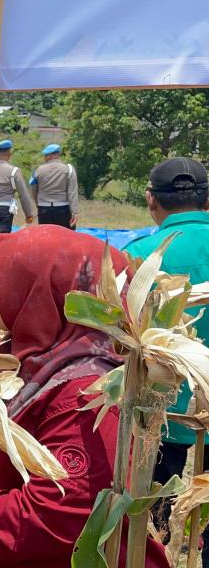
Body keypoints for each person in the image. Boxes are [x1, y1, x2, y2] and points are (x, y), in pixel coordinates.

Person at [0, 226, 168, 568]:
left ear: (41, 293)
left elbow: (52, 517)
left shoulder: (87, 393)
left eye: (5, 278)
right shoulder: (32, 358)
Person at [124, 157, 209, 563]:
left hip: (158, 414)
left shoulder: (138, 255)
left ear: (150, 201)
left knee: (152, 522)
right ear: (207, 201)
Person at [29, 143, 79, 229]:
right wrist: (74, 212)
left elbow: (33, 189)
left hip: (44, 209)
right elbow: (72, 193)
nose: (44, 158)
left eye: (45, 156)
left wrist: (38, 203)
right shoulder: (69, 169)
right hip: (63, 208)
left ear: (49, 156)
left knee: (46, 238)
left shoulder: (38, 170)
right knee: (65, 237)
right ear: (58, 155)